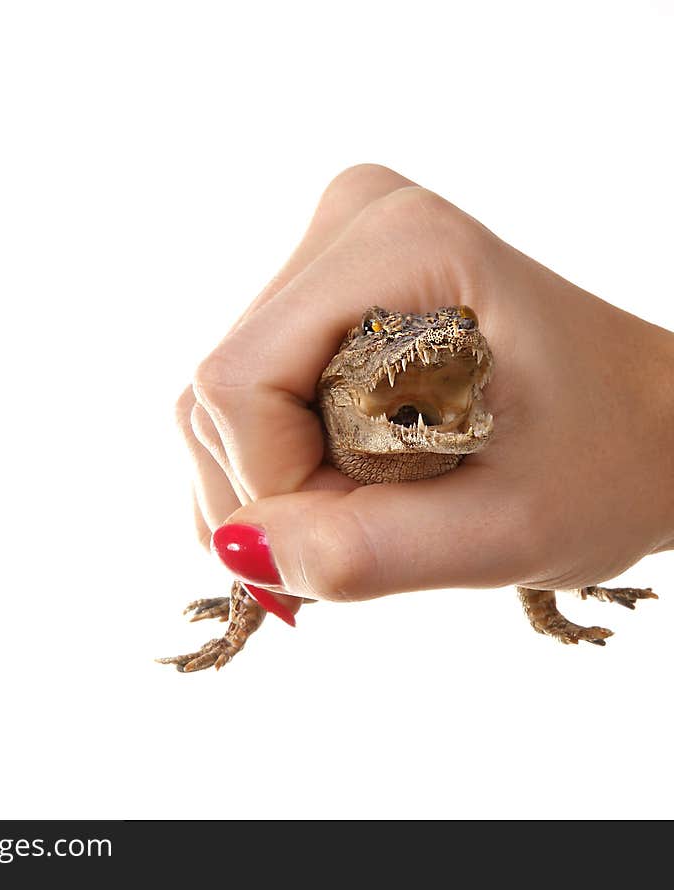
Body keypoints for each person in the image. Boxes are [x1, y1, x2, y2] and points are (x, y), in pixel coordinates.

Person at [176, 165, 674, 622]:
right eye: (374, 329)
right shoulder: (326, 420)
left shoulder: (494, 445)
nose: (444, 339)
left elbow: (538, 541)